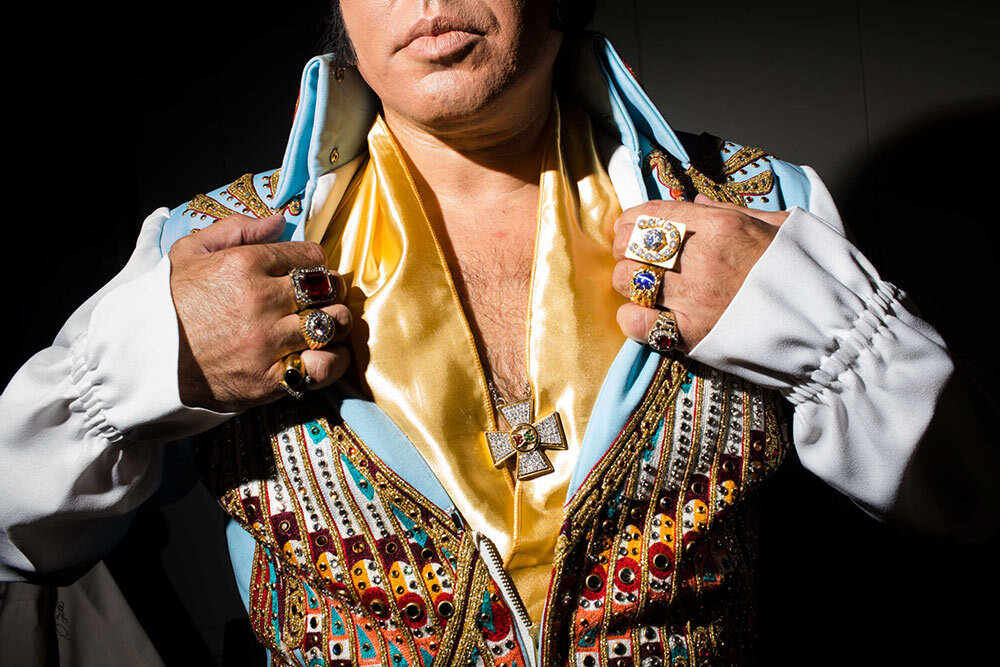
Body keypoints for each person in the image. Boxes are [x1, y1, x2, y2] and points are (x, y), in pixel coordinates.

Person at [1, 0, 997, 664]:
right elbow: (15, 536)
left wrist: (835, 339)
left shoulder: (758, 207)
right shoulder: (206, 250)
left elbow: (965, 509)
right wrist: (139, 360)